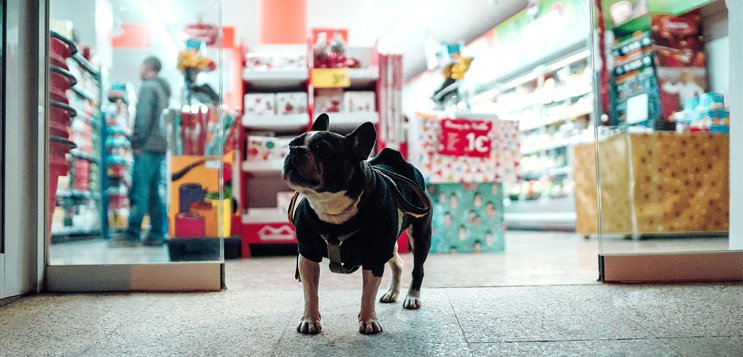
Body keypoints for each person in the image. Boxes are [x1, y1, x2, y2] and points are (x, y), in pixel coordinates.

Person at [110, 56, 171, 247]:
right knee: (153, 191)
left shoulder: (148, 87)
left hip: (146, 146)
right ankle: (156, 233)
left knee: (140, 190)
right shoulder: (163, 89)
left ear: (147, 67)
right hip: (159, 146)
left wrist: (136, 140)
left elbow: (144, 117)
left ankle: (132, 232)